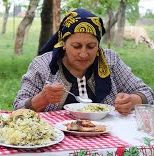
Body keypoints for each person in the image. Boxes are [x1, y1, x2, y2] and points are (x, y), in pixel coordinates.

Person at [13, 8, 154, 115]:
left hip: (105, 139)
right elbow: (17, 108)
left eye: (91, 46)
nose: (84, 53)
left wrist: (132, 100)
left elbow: (147, 93)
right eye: (76, 46)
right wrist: (40, 100)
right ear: (63, 43)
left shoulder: (111, 61)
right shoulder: (42, 66)